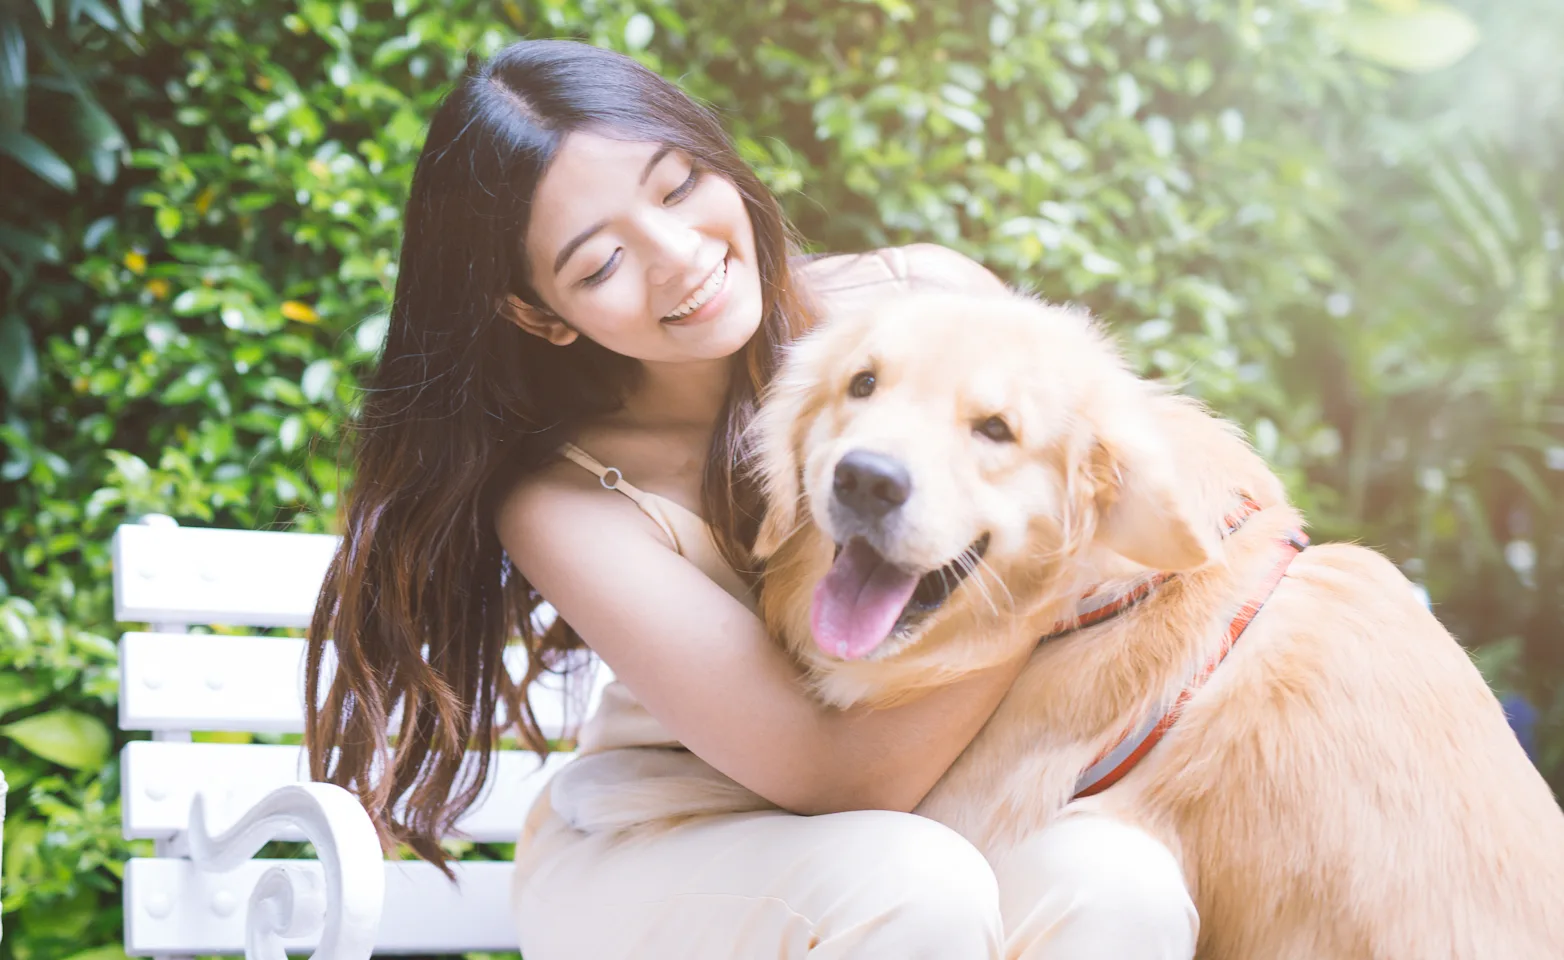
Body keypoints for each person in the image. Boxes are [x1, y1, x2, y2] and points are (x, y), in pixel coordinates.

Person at [306, 38, 1199, 959]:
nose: (679, 257)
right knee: (911, 884)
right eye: (600, 262)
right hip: (660, 846)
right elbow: (836, 773)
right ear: (539, 314)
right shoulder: (565, 500)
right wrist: (1055, 566)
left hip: (929, 821)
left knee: (1115, 880)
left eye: (679, 184)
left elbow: (1086, 477)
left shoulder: (920, 304)